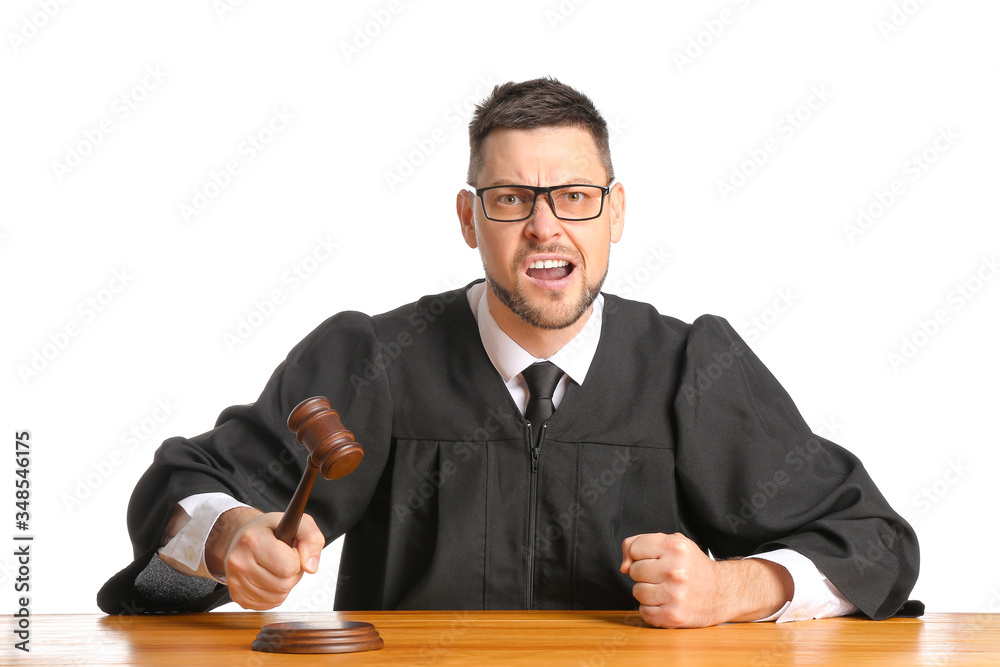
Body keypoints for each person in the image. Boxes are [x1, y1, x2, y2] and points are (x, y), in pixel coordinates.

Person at [98, 78, 920, 628]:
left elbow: (875, 542)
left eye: (574, 196)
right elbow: (183, 494)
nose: (544, 226)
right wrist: (229, 536)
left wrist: (734, 587)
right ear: (469, 218)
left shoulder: (690, 370)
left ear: (615, 212)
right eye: (510, 198)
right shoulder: (375, 359)